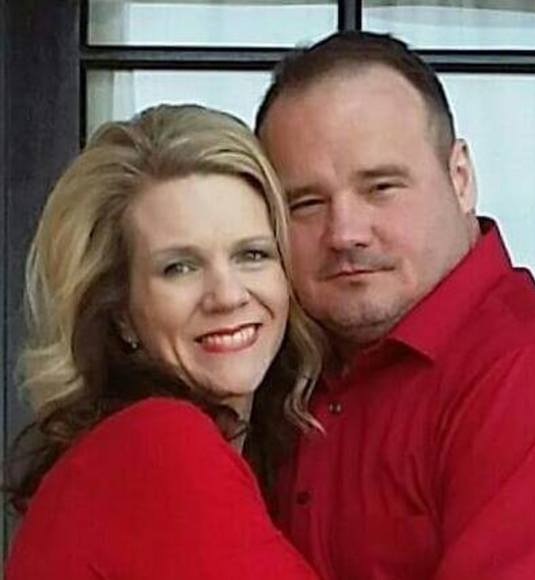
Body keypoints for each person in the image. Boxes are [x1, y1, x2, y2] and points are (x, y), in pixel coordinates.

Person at [256, 31, 535, 579]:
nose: (345, 233)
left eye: (381, 187)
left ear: (461, 179)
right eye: (306, 203)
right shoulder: (272, 366)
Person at [5, 104, 321, 579]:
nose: (228, 295)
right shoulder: (158, 445)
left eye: (252, 254)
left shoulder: (213, 452)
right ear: (121, 313)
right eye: (179, 267)